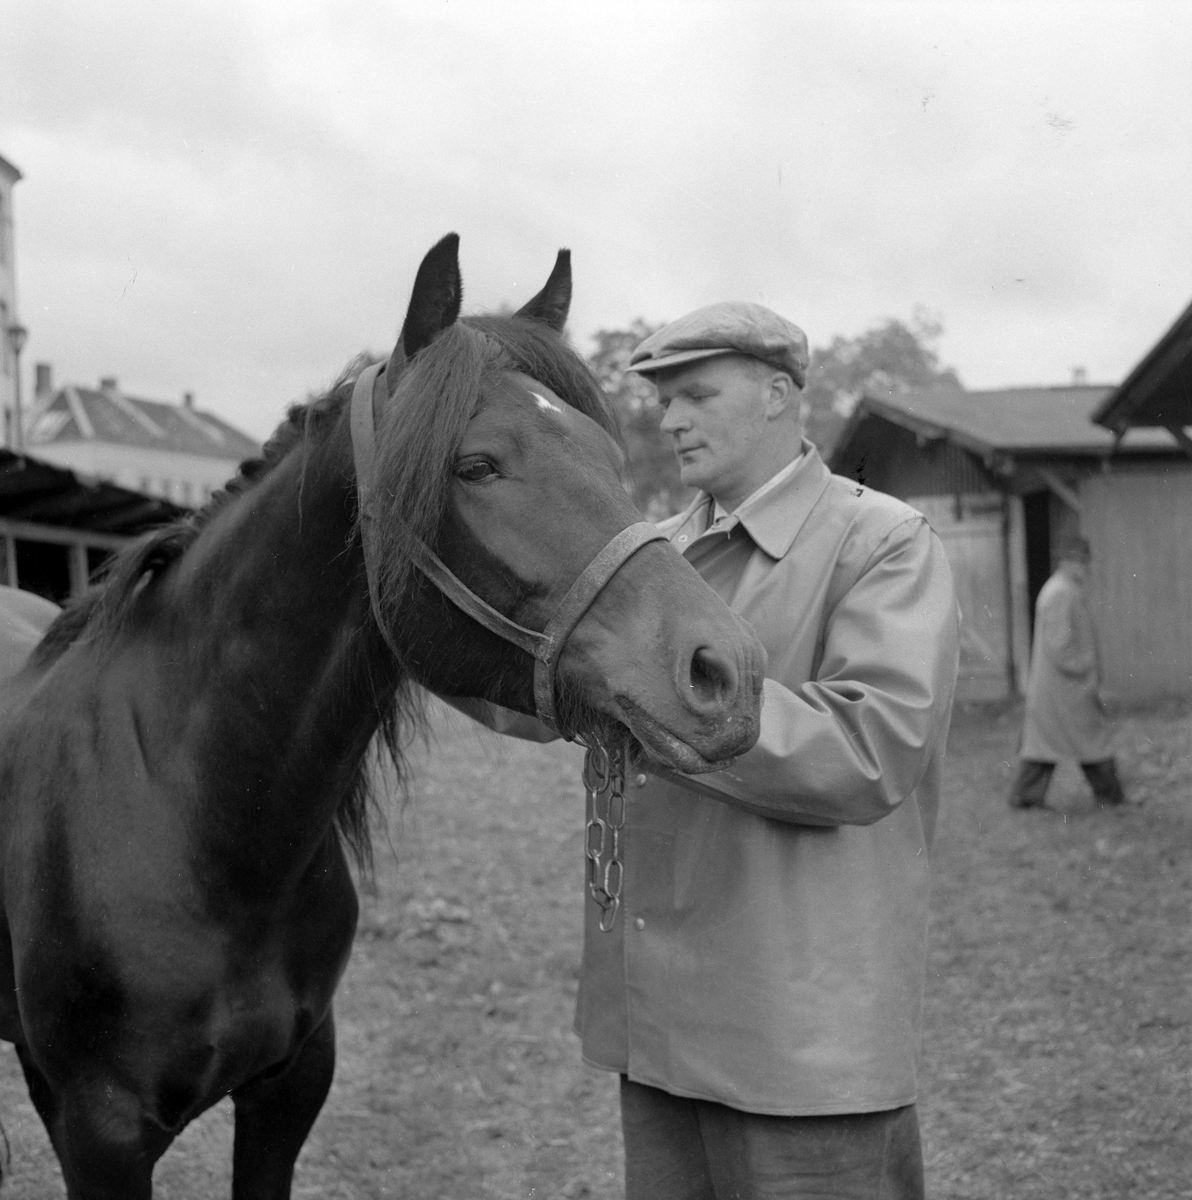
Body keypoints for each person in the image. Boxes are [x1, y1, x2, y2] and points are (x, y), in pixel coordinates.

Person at [454, 301, 959, 1199]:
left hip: (797, 1048)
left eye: (696, 394)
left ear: (776, 395)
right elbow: (549, 700)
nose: (672, 419)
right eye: (662, 402)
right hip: (658, 1033)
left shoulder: (879, 542)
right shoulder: (650, 556)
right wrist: (428, 639)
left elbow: (870, 751)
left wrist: (666, 694)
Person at [1008, 536, 1125, 809]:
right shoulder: (1061, 592)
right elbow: (1060, 646)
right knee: (1093, 741)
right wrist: (1086, 667)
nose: (1087, 569)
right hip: (1066, 687)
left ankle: (1025, 795)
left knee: (1045, 745)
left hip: (1059, 690)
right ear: (1068, 562)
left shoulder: (1062, 589)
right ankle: (1111, 797)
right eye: (1083, 563)